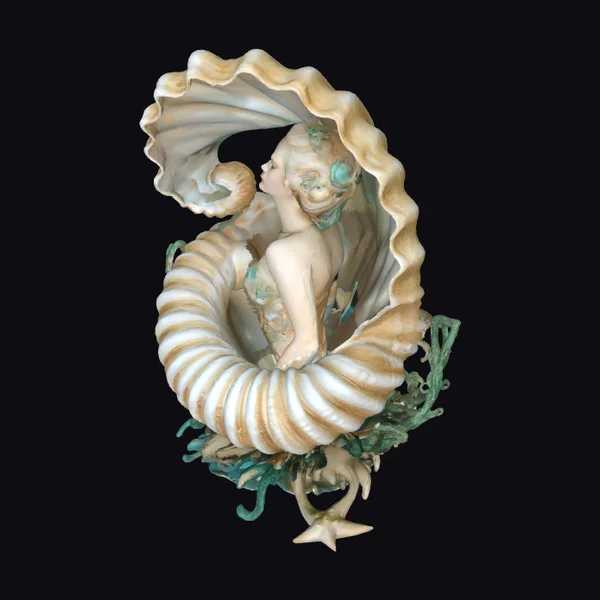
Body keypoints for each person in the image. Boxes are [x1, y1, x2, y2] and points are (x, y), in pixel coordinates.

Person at [236, 123, 362, 371]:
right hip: (313, 364)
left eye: (273, 165)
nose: (263, 167)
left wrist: (266, 388)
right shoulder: (330, 233)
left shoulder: (286, 253)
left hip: (291, 371)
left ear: (292, 185)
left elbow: (307, 344)